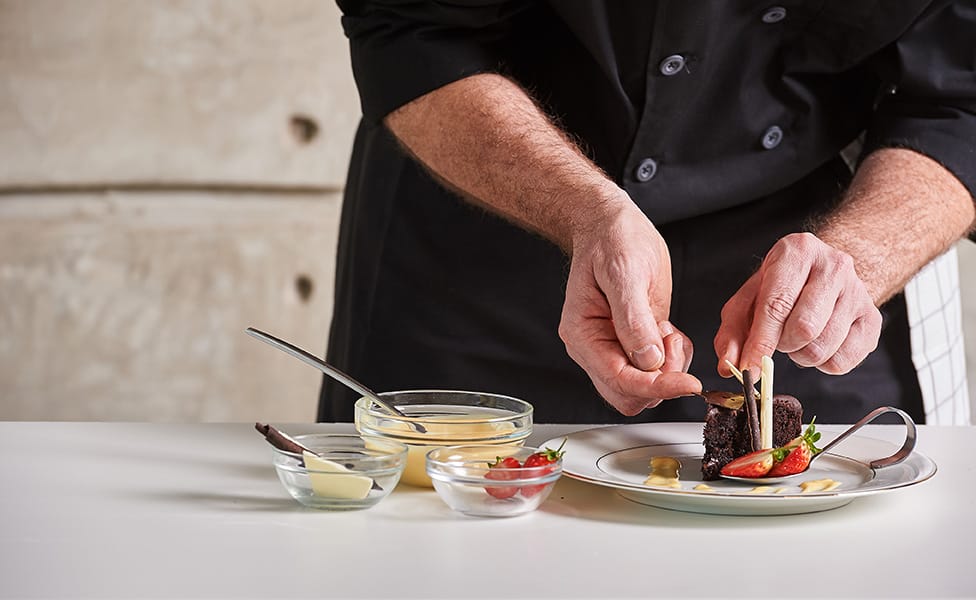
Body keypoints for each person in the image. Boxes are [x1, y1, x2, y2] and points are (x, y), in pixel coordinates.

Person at [319, 1, 976, 425]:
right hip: (482, 253)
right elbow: (412, 30)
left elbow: (963, 102)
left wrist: (859, 259)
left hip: (827, 249)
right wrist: (584, 208)